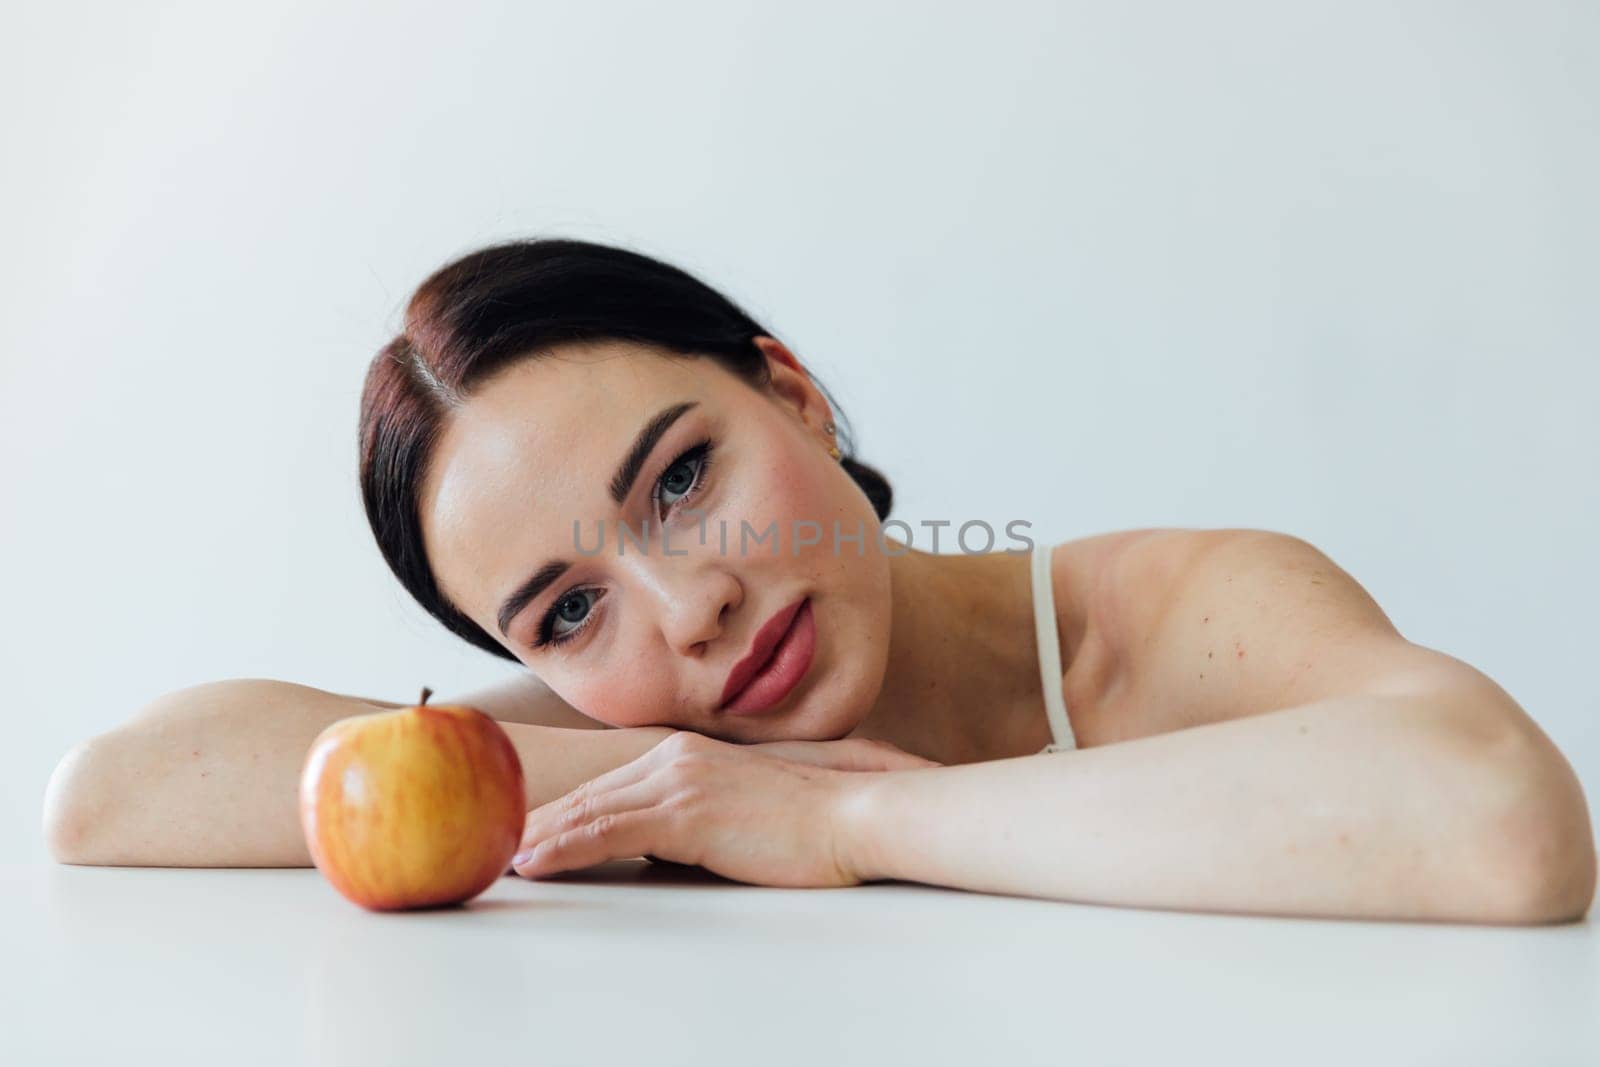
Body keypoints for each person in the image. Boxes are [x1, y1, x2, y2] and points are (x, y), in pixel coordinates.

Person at [43, 238, 1595, 923]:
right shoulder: (654, 747)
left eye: (684, 477)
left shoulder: (1179, 616)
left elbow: (1508, 822)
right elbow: (108, 798)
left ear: (792, 393)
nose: (689, 605)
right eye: (567, 612)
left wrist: (848, 816)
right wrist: (683, 781)